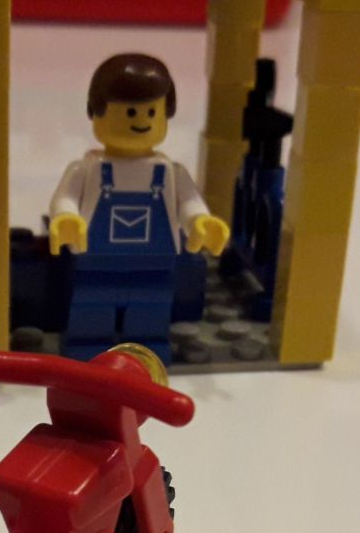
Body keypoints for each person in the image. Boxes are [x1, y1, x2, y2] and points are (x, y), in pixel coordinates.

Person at [49, 53, 230, 363]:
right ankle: (89, 347)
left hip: (154, 261)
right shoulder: (87, 169)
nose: (142, 120)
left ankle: (147, 350)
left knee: (151, 304)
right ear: (96, 113)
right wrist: (66, 217)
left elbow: (188, 202)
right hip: (97, 262)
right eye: (130, 111)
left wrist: (200, 221)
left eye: (152, 111)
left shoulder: (170, 172)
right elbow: (65, 198)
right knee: (94, 301)